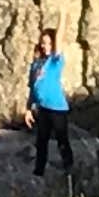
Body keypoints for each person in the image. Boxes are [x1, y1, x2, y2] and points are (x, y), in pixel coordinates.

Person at [27, 27, 76, 185]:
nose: (45, 46)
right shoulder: (36, 65)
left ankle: (69, 169)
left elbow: (59, 41)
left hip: (57, 108)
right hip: (42, 108)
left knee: (62, 139)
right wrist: (28, 109)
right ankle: (38, 172)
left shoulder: (54, 61)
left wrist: (62, 19)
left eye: (49, 43)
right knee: (41, 140)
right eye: (43, 43)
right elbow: (33, 88)